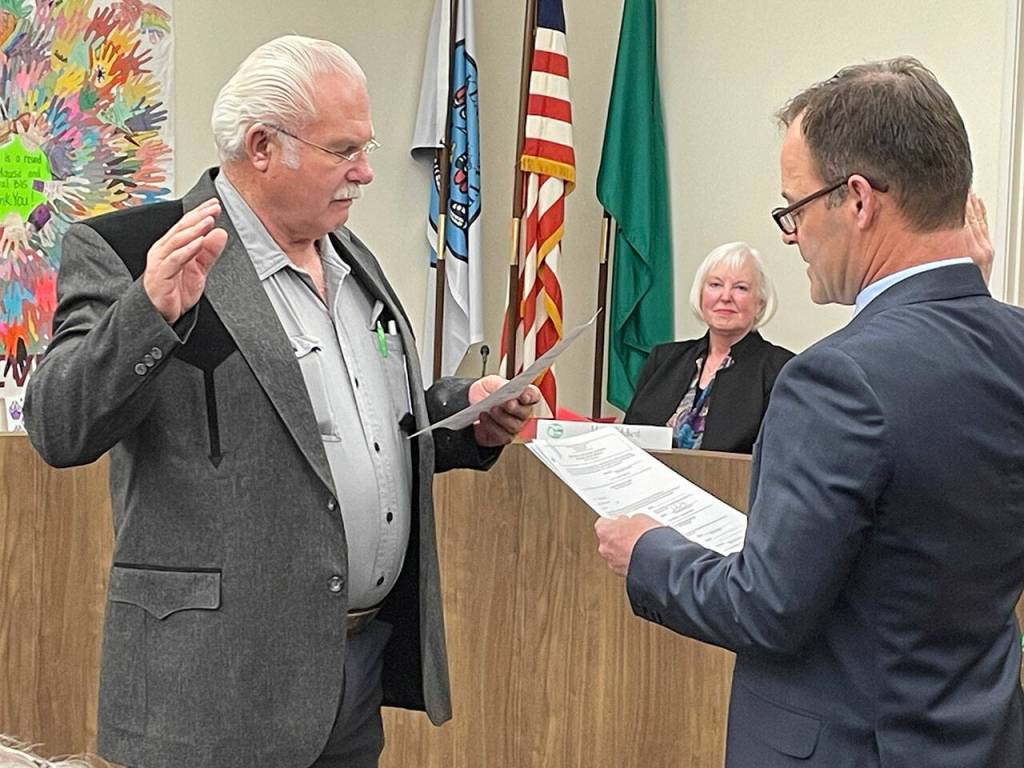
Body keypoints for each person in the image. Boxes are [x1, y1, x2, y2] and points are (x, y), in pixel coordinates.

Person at [24, 36, 537, 768]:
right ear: (262, 146)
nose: (365, 171)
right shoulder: (135, 249)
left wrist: (465, 415)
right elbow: (58, 427)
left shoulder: (353, 259)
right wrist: (149, 313)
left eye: (366, 147)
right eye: (343, 149)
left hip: (351, 670)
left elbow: (362, 429)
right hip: (210, 688)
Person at [595, 57, 1024, 767]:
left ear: (857, 201)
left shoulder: (837, 378)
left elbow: (767, 609)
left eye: (793, 208)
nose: (790, 236)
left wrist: (648, 553)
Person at [623, 242, 793, 452]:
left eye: (741, 288)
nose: (725, 296)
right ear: (700, 294)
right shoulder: (663, 359)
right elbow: (630, 438)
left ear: (760, 303)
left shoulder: (781, 369)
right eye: (715, 285)